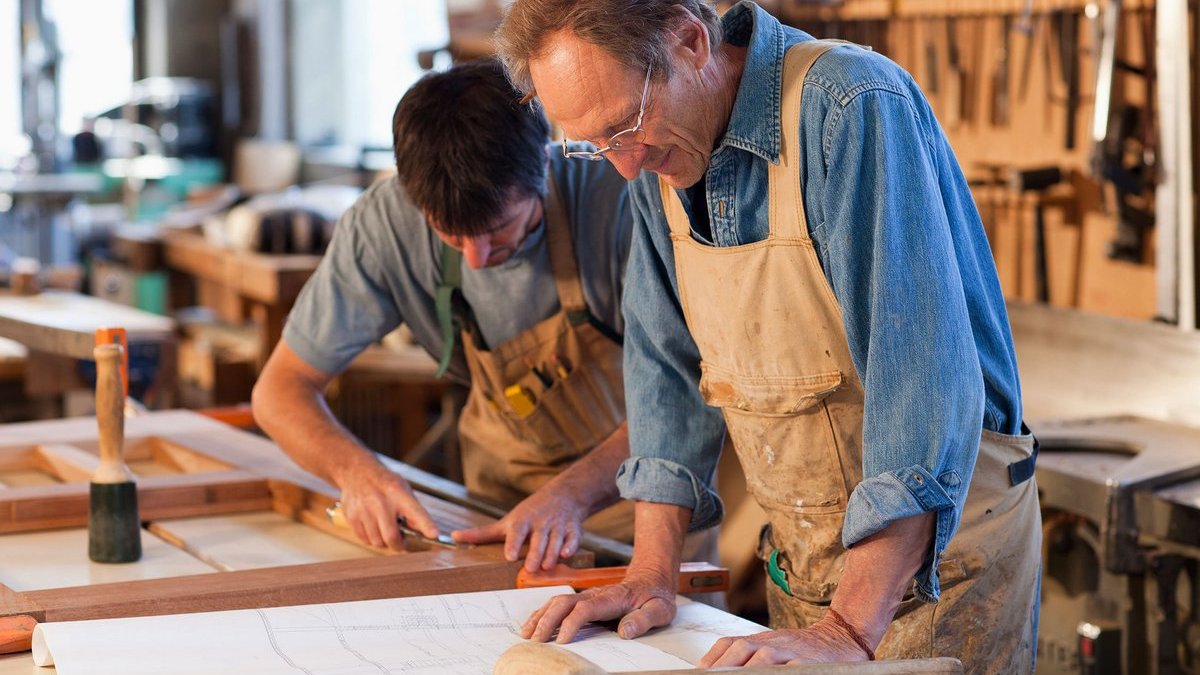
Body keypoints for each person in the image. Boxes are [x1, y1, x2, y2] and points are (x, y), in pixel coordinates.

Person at [496, 1, 1041, 671]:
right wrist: (651, 569)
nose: (626, 166)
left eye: (624, 127)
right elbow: (665, 374)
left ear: (692, 41)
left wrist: (849, 626)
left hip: (941, 566)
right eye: (595, 144)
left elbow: (919, 389)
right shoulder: (656, 157)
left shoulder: (849, 107)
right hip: (808, 571)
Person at [253, 59, 715, 574]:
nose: (475, 257)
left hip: (644, 510)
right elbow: (279, 391)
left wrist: (570, 496)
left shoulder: (623, 202)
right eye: (451, 235)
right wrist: (357, 473)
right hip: (497, 515)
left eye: (498, 229)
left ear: (543, 165)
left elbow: (687, 393)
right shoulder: (382, 225)